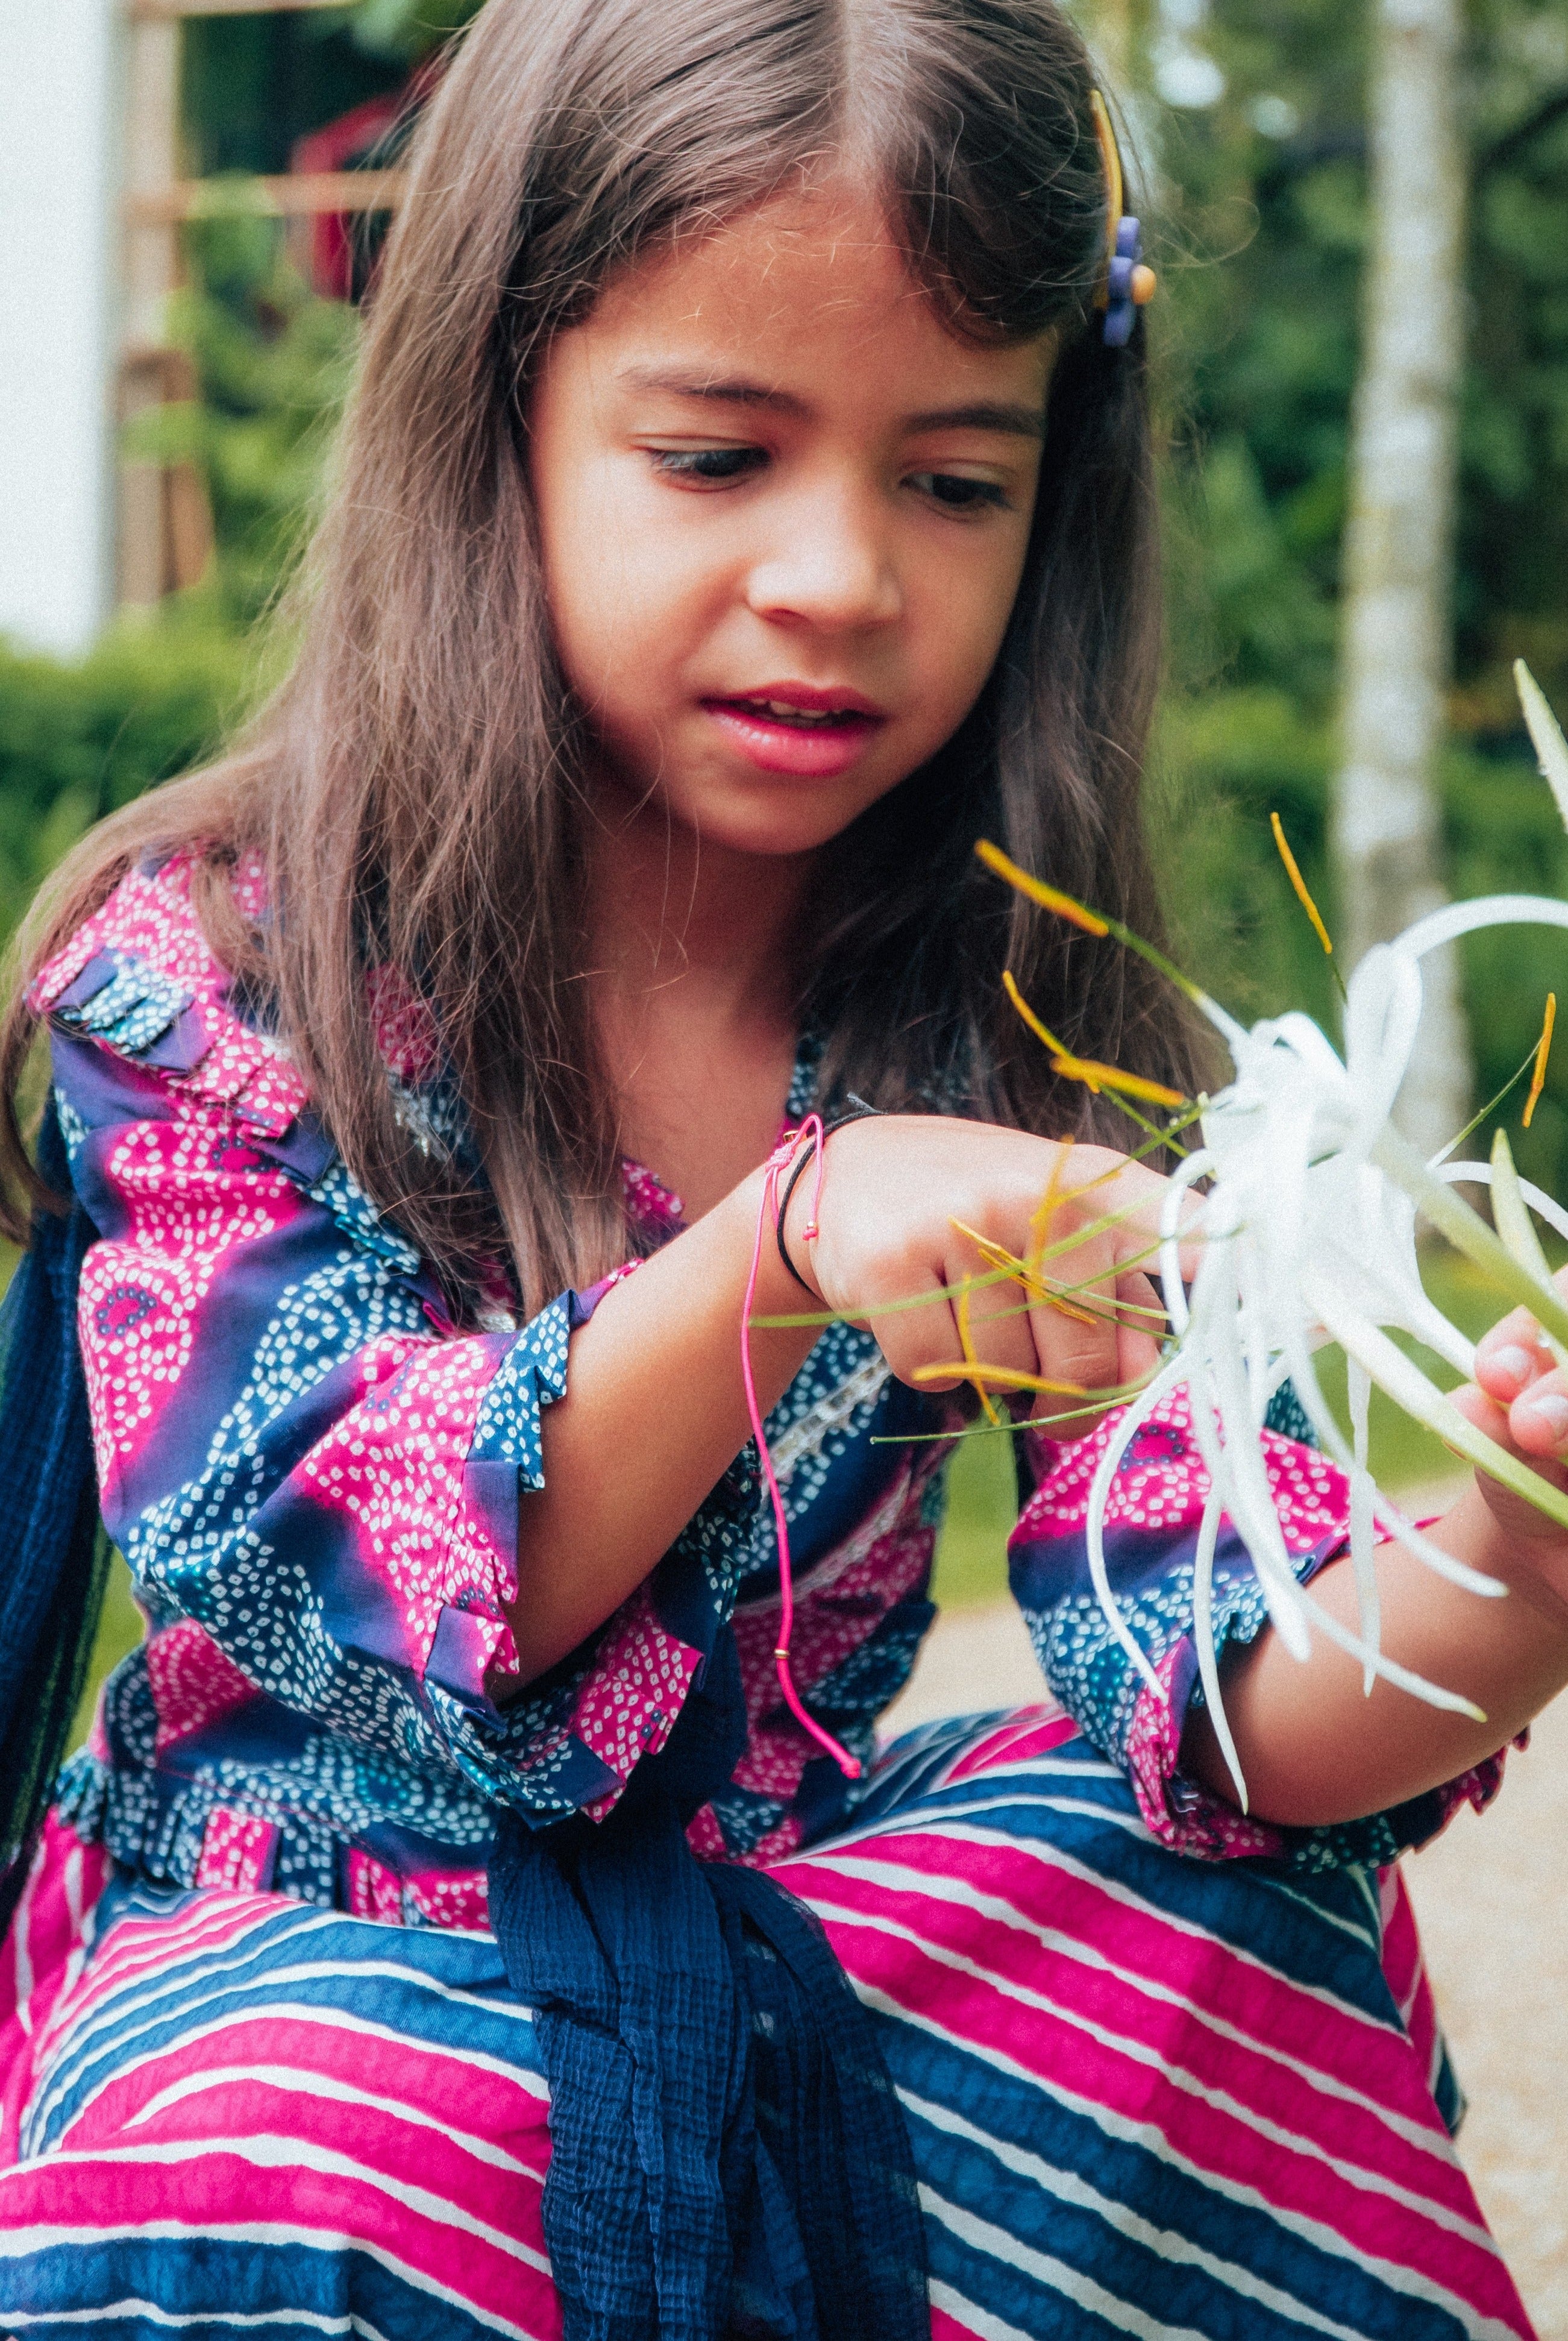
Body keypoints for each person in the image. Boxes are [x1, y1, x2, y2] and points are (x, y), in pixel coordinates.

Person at [1, 1, 1566, 2331]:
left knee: (1224, 1899)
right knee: (336, 2121)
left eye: (954, 478)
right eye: (720, 455)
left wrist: (1512, 1567)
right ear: (494, 420)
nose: (839, 577)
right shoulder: (219, 974)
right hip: (324, 1921)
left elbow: (1217, 1660)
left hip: (791, 1911)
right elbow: (375, 1579)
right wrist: (793, 1236)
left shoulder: (1017, 1015)